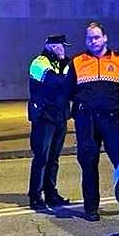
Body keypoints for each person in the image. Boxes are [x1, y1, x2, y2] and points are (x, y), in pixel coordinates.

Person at [68, 21, 119, 222]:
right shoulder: (78, 61)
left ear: (105, 38)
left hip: (112, 120)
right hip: (87, 121)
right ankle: (91, 209)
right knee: (88, 164)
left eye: (97, 37)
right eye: (89, 38)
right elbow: (69, 90)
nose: (93, 41)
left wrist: (111, 102)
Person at [27, 34, 74, 211]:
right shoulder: (39, 63)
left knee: (54, 158)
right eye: (62, 46)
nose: (64, 50)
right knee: (41, 158)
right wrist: (69, 75)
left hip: (59, 116)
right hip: (44, 117)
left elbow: (69, 86)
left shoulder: (60, 64)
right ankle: (35, 196)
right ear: (53, 47)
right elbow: (53, 83)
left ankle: (51, 193)